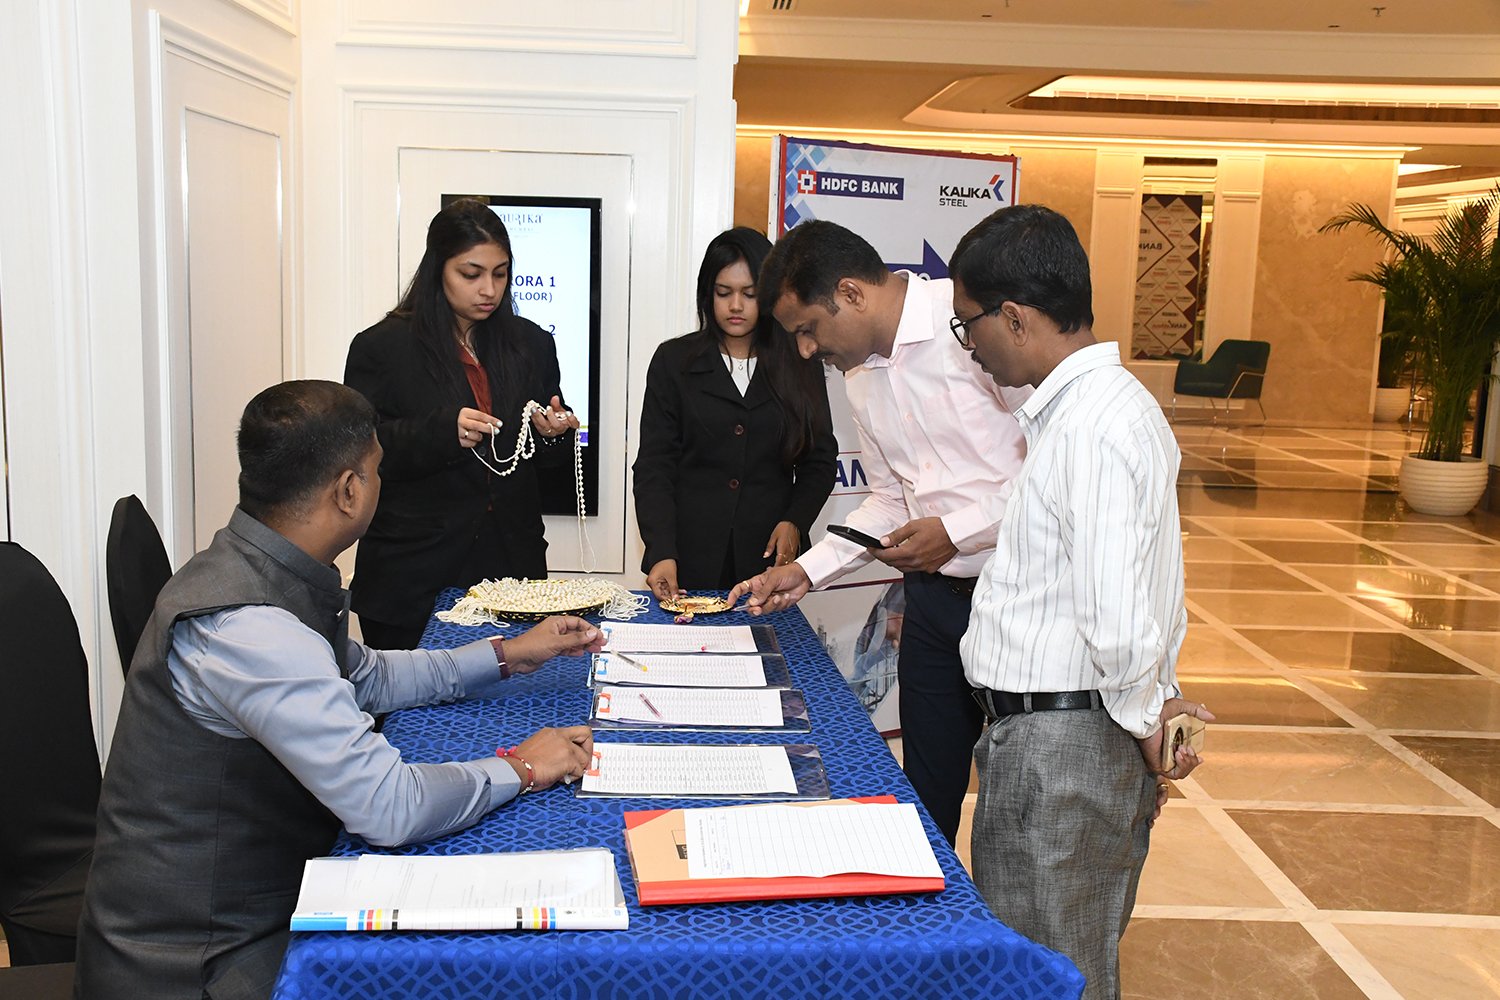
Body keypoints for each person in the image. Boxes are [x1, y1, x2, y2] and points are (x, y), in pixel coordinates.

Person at [74, 380, 602, 1000]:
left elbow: (366, 675)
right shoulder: (250, 628)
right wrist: (523, 766)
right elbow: (391, 806)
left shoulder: (257, 565)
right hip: (198, 962)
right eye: (377, 471)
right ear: (349, 490)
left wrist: (509, 653)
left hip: (248, 908)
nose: (380, 484)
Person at [948, 205, 1212, 999]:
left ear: (1014, 317)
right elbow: (1147, 589)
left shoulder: (1092, 426)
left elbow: (1119, 616)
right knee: (1052, 966)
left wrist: (1145, 720)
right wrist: (1151, 708)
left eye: (968, 325)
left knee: (1052, 977)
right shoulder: (1097, 411)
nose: (970, 346)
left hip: (1062, 753)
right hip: (1062, 739)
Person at [728, 220, 1028, 845]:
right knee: (928, 795)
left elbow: (1050, 476)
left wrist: (955, 532)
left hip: (1022, 601)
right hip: (933, 607)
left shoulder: (971, 326)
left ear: (851, 293)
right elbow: (891, 496)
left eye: (809, 329)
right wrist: (806, 570)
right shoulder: (860, 373)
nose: (806, 350)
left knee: (1020, 808)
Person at [345, 197, 579, 650]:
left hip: (511, 568)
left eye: (500, 273)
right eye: (471, 274)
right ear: (438, 269)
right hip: (412, 575)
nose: (489, 289)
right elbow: (360, 452)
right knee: (410, 697)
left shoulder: (531, 343)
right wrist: (441, 431)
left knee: (515, 694)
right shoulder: (382, 347)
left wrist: (555, 433)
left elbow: (545, 459)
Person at [632, 227, 836, 598]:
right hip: (688, 558)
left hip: (769, 560)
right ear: (707, 294)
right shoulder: (673, 361)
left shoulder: (799, 362)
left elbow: (819, 460)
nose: (736, 306)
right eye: (724, 293)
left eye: (750, 294)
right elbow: (654, 466)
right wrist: (661, 551)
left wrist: (795, 520)